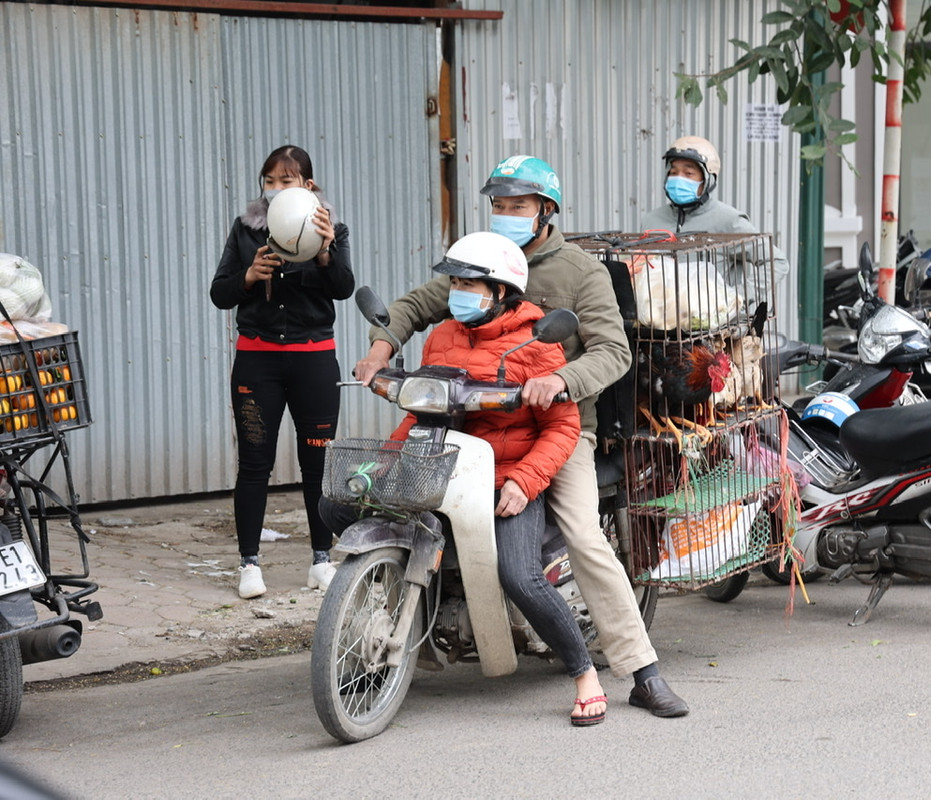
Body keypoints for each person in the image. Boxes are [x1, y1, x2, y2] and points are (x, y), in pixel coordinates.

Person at [354, 155, 690, 718]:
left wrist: (561, 379)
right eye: (499, 205)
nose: (506, 214)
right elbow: (415, 305)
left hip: (555, 429)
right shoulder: (480, 260)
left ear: (546, 211)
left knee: (584, 533)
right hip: (467, 419)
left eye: (519, 206)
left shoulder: (580, 273)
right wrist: (379, 350)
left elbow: (613, 351)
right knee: (397, 498)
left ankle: (640, 670)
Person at [353, 231, 608, 725]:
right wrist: (390, 459)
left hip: (507, 477)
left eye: (470, 285)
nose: (458, 293)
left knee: (519, 575)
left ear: (500, 292)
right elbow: (423, 409)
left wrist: (525, 482)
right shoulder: (444, 334)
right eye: (454, 283)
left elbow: (562, 426)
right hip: (445, 468)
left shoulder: (535, 343)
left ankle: (584, 674)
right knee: (350, 506)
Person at [210, 145, 355, 600]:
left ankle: (320, 561)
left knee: (317, 465)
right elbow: (220, 293)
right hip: (258, 359)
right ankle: (249, 564)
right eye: (269, 181)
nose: (276, 189)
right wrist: (249, 276)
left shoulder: (332, 229)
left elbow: (344, 288)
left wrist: (327, 251)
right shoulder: (246, 230)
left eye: (286, 181)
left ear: (308, 186)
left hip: (314, 359)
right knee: (255, 464)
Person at [641, 135, 790, 304]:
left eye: (689, 173)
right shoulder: (651, 221)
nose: (678, 178)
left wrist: (736, 297)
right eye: (673, 172)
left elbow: (776, 261)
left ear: (707, 178)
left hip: (713, 325)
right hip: (659, 323)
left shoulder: (728, 220)